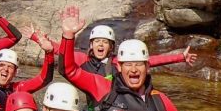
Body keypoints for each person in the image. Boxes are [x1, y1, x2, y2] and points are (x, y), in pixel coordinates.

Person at [59, 6, 198, 111]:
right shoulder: (102, 87)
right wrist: (68, 36)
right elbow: (69, 70)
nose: (133, 69)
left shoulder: (160, 101)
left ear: (147, 67)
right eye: (128, 64)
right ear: (119, 66)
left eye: (138, 64)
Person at [54, 23, 197, 81]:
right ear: (91, 45)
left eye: (105, 42)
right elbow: (61, 51)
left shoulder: (117, 62)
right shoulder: (82, 59)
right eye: (97, 41)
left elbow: (151, 60)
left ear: (111, 47)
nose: (101, 45)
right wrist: (38, 39)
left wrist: (180, 57)